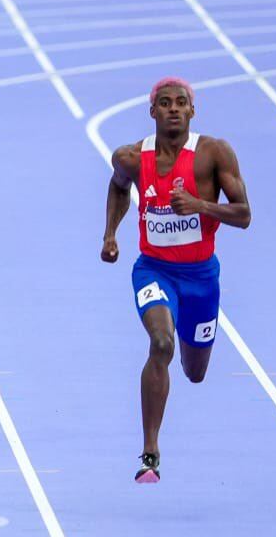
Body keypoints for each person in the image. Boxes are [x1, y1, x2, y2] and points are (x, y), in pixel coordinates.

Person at [101, 78, 250, 483]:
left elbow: (244, 215)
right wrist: (110, 234)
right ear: (152, 112)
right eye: (164, 103)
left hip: (201, 278)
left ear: (191, 111)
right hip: (154, 269)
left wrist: (201, 205)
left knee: (194, 370)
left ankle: (191, 349)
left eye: (180, 103)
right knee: (160, 343)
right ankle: (150, 450)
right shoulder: (131, 158)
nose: (172, 109)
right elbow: (118, 189)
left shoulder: (214, 153)